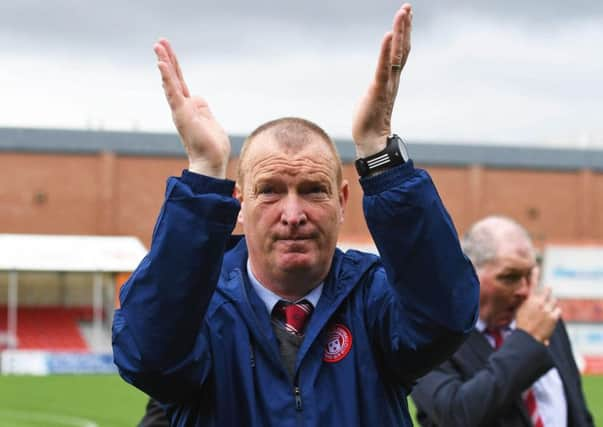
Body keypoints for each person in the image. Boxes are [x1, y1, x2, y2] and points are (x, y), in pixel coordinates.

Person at [113, 4, 480, 426]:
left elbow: (445, 319)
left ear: (343, 201)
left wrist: (380, 153)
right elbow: (147, 356)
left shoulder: (374, 298)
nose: (293, 214)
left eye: (312, 191)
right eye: (269, 192)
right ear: (239, 203)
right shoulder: (201, 307)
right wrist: (203, 174)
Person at [411, 216, 594, 427]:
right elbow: (456, 415)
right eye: (509, 277)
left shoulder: (547, 321)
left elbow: (578, 412)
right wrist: (525, 342)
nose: (524, 290)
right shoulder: (430, 337)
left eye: (529, 275)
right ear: (467, 274)